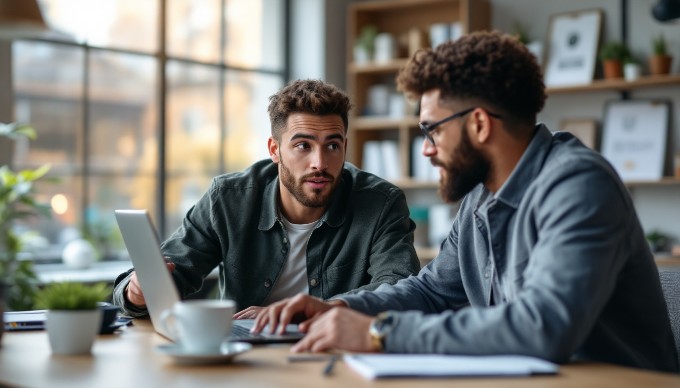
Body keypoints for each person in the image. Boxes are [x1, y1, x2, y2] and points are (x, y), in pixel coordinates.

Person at [253, 32, 679, 373]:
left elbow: (543, 327)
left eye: (431, 130)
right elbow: (433, 290)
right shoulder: (479, 197)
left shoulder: (578, 185)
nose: (426, 150)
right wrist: (338, 307)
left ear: (477, 124)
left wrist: (379, 332)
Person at [112, 79, 420, 319]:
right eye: (303, 146)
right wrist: (137, 293)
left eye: (332, 146)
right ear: (274, 150)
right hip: (245, 360)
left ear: (345, 147)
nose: (320, 163)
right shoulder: (229, 199)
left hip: (333, 355)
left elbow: (399, 287)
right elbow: (176, 267)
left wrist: (307, 312)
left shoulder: (381, 203)